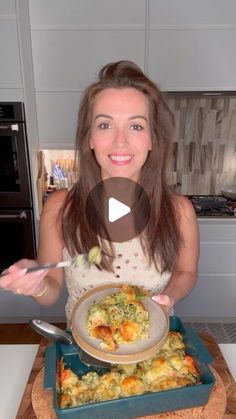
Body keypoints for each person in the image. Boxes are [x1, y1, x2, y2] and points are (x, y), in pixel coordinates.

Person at [0, 60, 199, 326]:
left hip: (154, 349)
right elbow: (51, 291)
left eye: (136, 126)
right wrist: (36, 285)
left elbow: (186, 272)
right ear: (89, 137)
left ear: (152, 139)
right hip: (83, 352)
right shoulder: (61, 207)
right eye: (105, 125)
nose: (120, 141)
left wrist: (168, 298)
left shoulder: (179, 211)